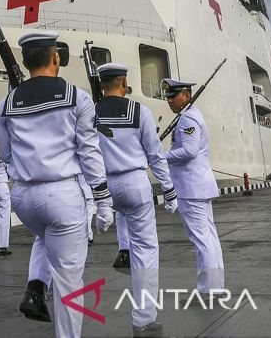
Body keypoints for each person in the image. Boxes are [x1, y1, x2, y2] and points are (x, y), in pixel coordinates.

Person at [0, 31, 112, 337]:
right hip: (62, 194)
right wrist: (102, 199)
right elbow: (89, 153)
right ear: (56, 57)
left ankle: (35, 286)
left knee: (45, 238)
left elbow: (5, 153)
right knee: (69, 282)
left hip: (23, 197)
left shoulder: (7, 102)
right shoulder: (78, 97)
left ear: (24, 60)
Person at [95, 63, 178, 337]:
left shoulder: (90, 113)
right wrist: (169, 190)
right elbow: (155, 156)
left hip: (104, 184)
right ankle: (144, 319)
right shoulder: (139, 112)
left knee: (118, 222)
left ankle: (123, 249)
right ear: (123, 82)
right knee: (147, 250)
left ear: (102, 84)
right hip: (134, 181)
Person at [162, 78, 224, 296]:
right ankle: (215, 285)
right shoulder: (190, 115)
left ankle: (208, 289)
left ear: (186, 95)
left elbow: (189, 151)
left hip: (190, 187)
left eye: (173, 96)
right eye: (168, 97)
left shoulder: (188, 118)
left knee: (201, 239)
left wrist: (160, 157)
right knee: (209, 237)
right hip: (199, 185)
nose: (169, 101)